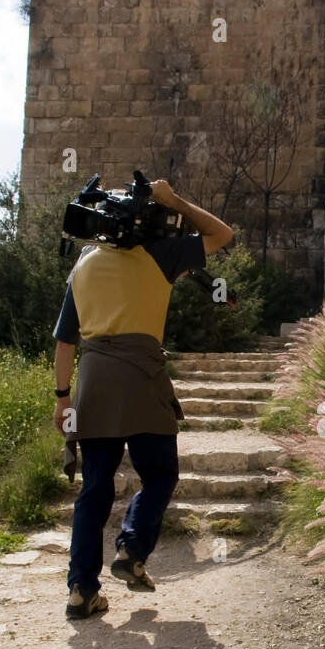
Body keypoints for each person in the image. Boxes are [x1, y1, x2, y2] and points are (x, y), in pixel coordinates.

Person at [53, 178, 233, 619]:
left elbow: (64, 343)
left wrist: (62, 399)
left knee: (94, 489)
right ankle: (131, 548)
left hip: (93, 383)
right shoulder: (162, 255)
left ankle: (81, 590)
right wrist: (176, 201)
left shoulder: (84, 266)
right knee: (159, 474)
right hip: (143, 379)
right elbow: (222, 235)